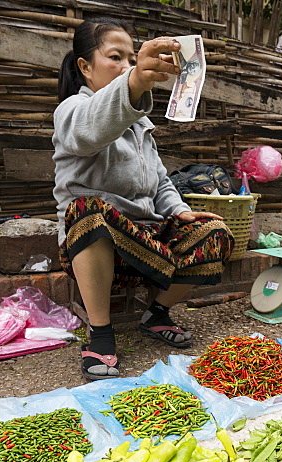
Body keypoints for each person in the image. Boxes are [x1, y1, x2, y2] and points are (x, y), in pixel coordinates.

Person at [53, 19, 233, 380]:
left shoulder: (141, 127)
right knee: (88, 212)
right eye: (115, 57)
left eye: (131, 59)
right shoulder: (72, 112)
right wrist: (134, 80)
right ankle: (101, 335)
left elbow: (161, 179)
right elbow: (90, 131)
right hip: (94, 245)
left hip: (142, 240)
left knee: (213, 230)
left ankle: (156, 314)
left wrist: (179, 212)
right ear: (84, 67)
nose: (126, 66)